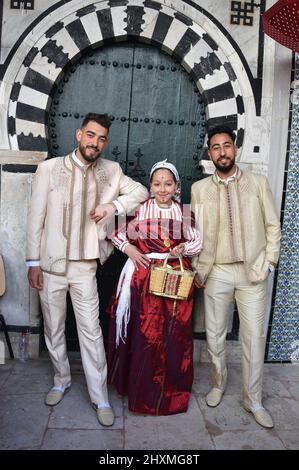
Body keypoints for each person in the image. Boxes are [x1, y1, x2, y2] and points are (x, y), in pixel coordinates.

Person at [26, 112, 148, 427]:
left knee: (91, 331)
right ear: (79, 134)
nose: (96, 142)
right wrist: (32, 262)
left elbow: (141, 193)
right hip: (51, 265)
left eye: (102, 138)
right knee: (53, 328)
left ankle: (99, 396)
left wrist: (113, 206)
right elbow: (35, 218)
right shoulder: (49, 169)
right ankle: (61, 378)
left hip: (84, 268)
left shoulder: (112, 170)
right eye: (91, 135)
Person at [191, 125, 281, 429]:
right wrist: (197, 268)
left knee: (253, 338)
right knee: (215, 335)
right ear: (210, 153)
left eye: (226, 145)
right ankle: (218, 384)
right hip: (216, 272)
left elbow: (272, 226)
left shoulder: (257, 183)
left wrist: (268, 263)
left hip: (252, 272)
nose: (222, 152)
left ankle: (252, 399)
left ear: (235, 148)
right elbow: (197, 234)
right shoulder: (199, 189)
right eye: (215, 147)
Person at [107, 160, 202, 415]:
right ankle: (138, 388)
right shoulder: (139, 209)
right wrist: (130, 249)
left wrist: (184, 248)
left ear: (176, 186)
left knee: (171, 335)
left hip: (172, 282)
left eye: (168, 184)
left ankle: (168, 393)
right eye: (157, 184)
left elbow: (197, 241)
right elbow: (114, 232)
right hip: (141, 280)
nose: (162, 189)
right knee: (144, 335)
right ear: (150, 186)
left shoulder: (184, 212)